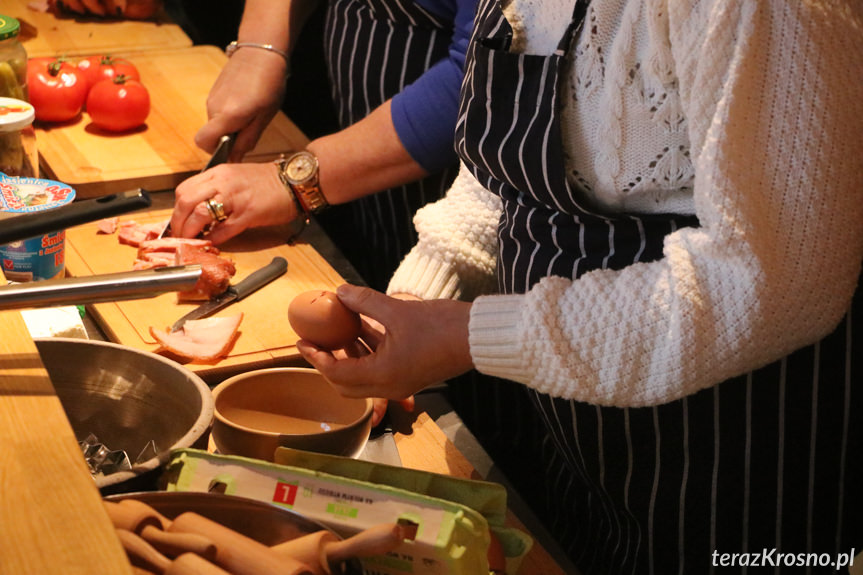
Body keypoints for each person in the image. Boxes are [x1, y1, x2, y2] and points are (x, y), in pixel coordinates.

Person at [294, 1, 863, 573]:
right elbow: (509, 170)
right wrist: (423, 295)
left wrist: (469, 336)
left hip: (724, 452)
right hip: (580, 428)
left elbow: (777, 281)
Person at [169, 0, 477, 292]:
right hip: (364, 166)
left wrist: (295, 181)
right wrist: (259, 50)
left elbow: (481, 79)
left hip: (458, 180)